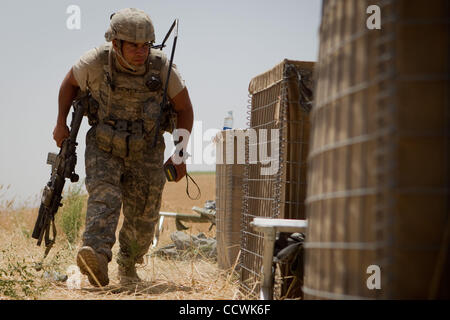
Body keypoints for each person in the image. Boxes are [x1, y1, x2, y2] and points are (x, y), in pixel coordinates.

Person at [53, 8, 194, 286]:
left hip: (148, 148)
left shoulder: (161, 68)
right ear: (115, 43)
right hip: (105, 146)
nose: (141, 52)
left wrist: (179, 154)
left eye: (145, 45)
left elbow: (184, 108)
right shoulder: (95, 61)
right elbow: (68, 84)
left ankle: (128, 266)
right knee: (104, 198)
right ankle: (97, 260)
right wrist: (60, 123)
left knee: (144, 215)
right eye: (133, 46)